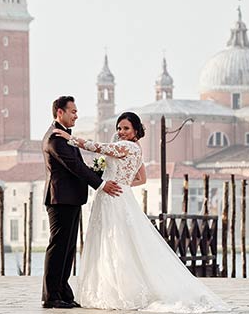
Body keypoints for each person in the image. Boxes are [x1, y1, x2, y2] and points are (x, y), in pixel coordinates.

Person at [53, 111, 229, 312]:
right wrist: (122, 182)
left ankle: (118, 290)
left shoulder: (126, 146)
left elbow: (97, 147)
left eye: (126, 128)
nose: (121, 132)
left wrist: (70, 138)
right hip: (121, 195)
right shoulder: (136, 149)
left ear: (136, 130)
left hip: (113, 198)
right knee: (119, 241)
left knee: (115, 242)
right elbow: (142, 179)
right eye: (119, 128)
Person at [41, 96, 123, 309]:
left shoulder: (65, 136)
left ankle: (63, 292)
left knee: (68, 248)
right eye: (73, 111)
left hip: (71, 199)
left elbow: (79, 164)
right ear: (60, 112)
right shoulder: (55, 139)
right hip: (60, 200)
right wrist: (101, 184)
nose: (76, 115)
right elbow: (74, 167)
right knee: (58, 247)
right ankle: (51, 296)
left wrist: (97, 169)